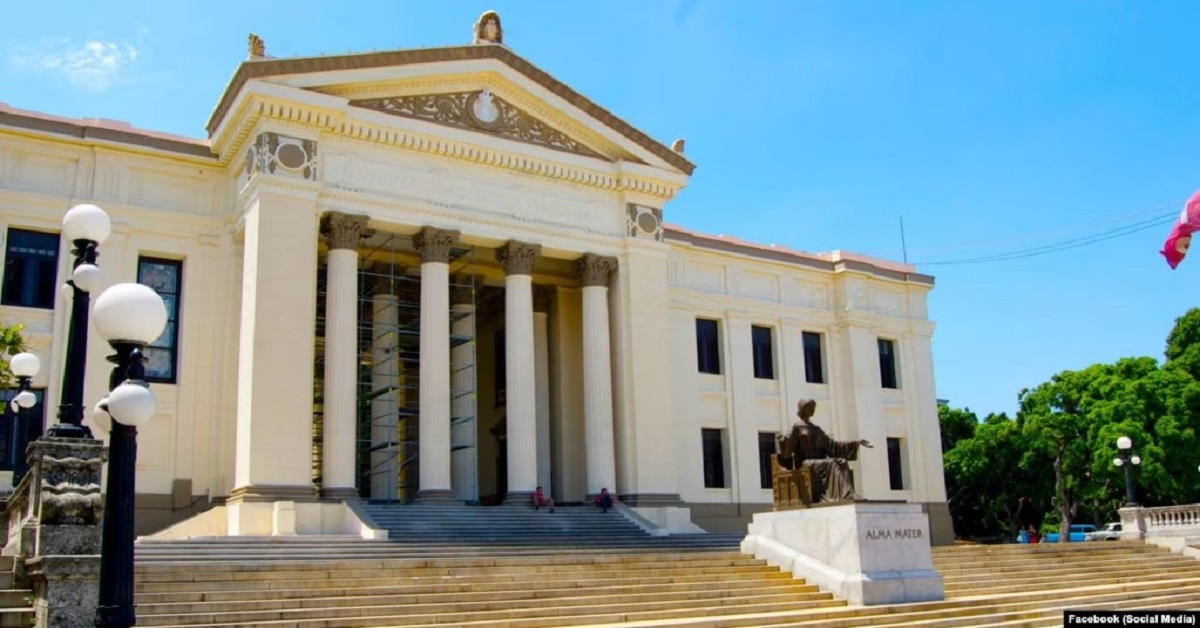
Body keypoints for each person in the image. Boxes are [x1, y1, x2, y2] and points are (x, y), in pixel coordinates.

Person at [777, 398, 872, 503]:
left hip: (819, 462)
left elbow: (832, 446)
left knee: (841, 461)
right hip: (805, 463)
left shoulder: (817, 429)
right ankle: (848, 495)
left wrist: (856, 442)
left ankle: (847, 494)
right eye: (810, 407)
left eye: (813, 407)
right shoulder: (796, 427)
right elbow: (787, 451)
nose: (812, 409)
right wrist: (783, 441)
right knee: (831, 463)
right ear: (803, 409)